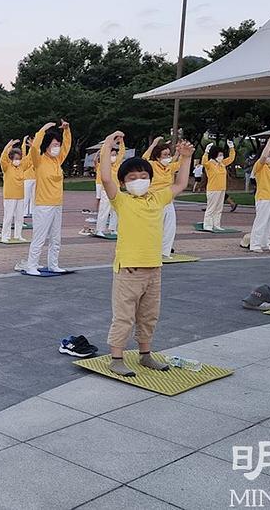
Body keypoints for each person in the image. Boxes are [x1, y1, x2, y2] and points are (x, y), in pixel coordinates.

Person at [99, 131, 193, 377]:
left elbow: (181, 184)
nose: (139, 180)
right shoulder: (121, 200)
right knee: (124, 316)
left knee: (149, 315)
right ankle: (116, 358)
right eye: (132, 177)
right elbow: (106, 177)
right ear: (124, 183)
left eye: (143, 176)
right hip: (129, 269)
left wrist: (186, 158)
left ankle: (145, 354)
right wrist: (108, 145)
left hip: (154, 268)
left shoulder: (157, 198)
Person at [23, 120, 71, 275]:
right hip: (43, 205)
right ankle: (31, 266)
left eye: (58, 145)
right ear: (47, 145)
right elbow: (34, 147)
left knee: (56, 238)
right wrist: (42, 130)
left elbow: (67, 146)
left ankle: (53, 265)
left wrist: (67, 130)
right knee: (40, 237)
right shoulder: (39, 160)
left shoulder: (58, 160)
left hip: (57, 204)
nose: (57, 147)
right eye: (54, 144)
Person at [143, 136, 182, 258]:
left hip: (168, 200)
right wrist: (154, 144)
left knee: (170, 227)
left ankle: (165, 251)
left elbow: (180, 164)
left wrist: (180, 152)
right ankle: (151, 249)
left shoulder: (169, 167)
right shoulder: (152, 165)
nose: (168, 157)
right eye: (165, 155)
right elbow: (143, 159)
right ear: (157, 157)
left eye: (168, 154)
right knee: (154, 227)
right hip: (154, 200)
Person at [0, 139, 30, 242]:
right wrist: (8, 146)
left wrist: (32, 147)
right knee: (8, 217)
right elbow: (2, 158)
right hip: (9, 196)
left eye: (19, 158)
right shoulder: (7, 167)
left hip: (20, 196)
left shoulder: (22, 166)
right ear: (11, 158)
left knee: (20, 217)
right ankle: (5, 236)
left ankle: (18, 235)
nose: (18, 160)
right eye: (16, 158)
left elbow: (29, 158)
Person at [202, 140, 236, 231]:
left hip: (222, 189)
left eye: (222, 155)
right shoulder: (209, 164)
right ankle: (207, 225)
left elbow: (231, 158)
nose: (222, 157)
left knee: (219, 208)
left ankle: (216, 225)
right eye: (220, 155)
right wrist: (206, 152)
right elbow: (204, 162)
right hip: (213, 189)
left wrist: (231, 148)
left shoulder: (222, 164)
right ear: (215, 155)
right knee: (211, 208)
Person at [95, 140, 125, 237]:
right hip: (106, 190)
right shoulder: (104, 164)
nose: (114, 157)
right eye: (112, 155)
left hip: (117, 190)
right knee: (104, 210)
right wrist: (109, 143)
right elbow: (103, 153)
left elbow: (122, 152)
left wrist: (121, 141)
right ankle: (99, 230)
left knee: (115, 210)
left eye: (115, 155)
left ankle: (113, 229)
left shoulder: (117, 164)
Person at [22, 135, 36, 218]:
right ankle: (23, 212)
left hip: (36, 177)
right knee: (26, 195)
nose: (32, 140)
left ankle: (32, 211)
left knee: (33, 196)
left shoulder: (37, 150)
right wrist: (24, 142)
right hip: (27, 177)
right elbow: (23, 154)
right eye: (31, 139)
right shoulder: (26, 157)